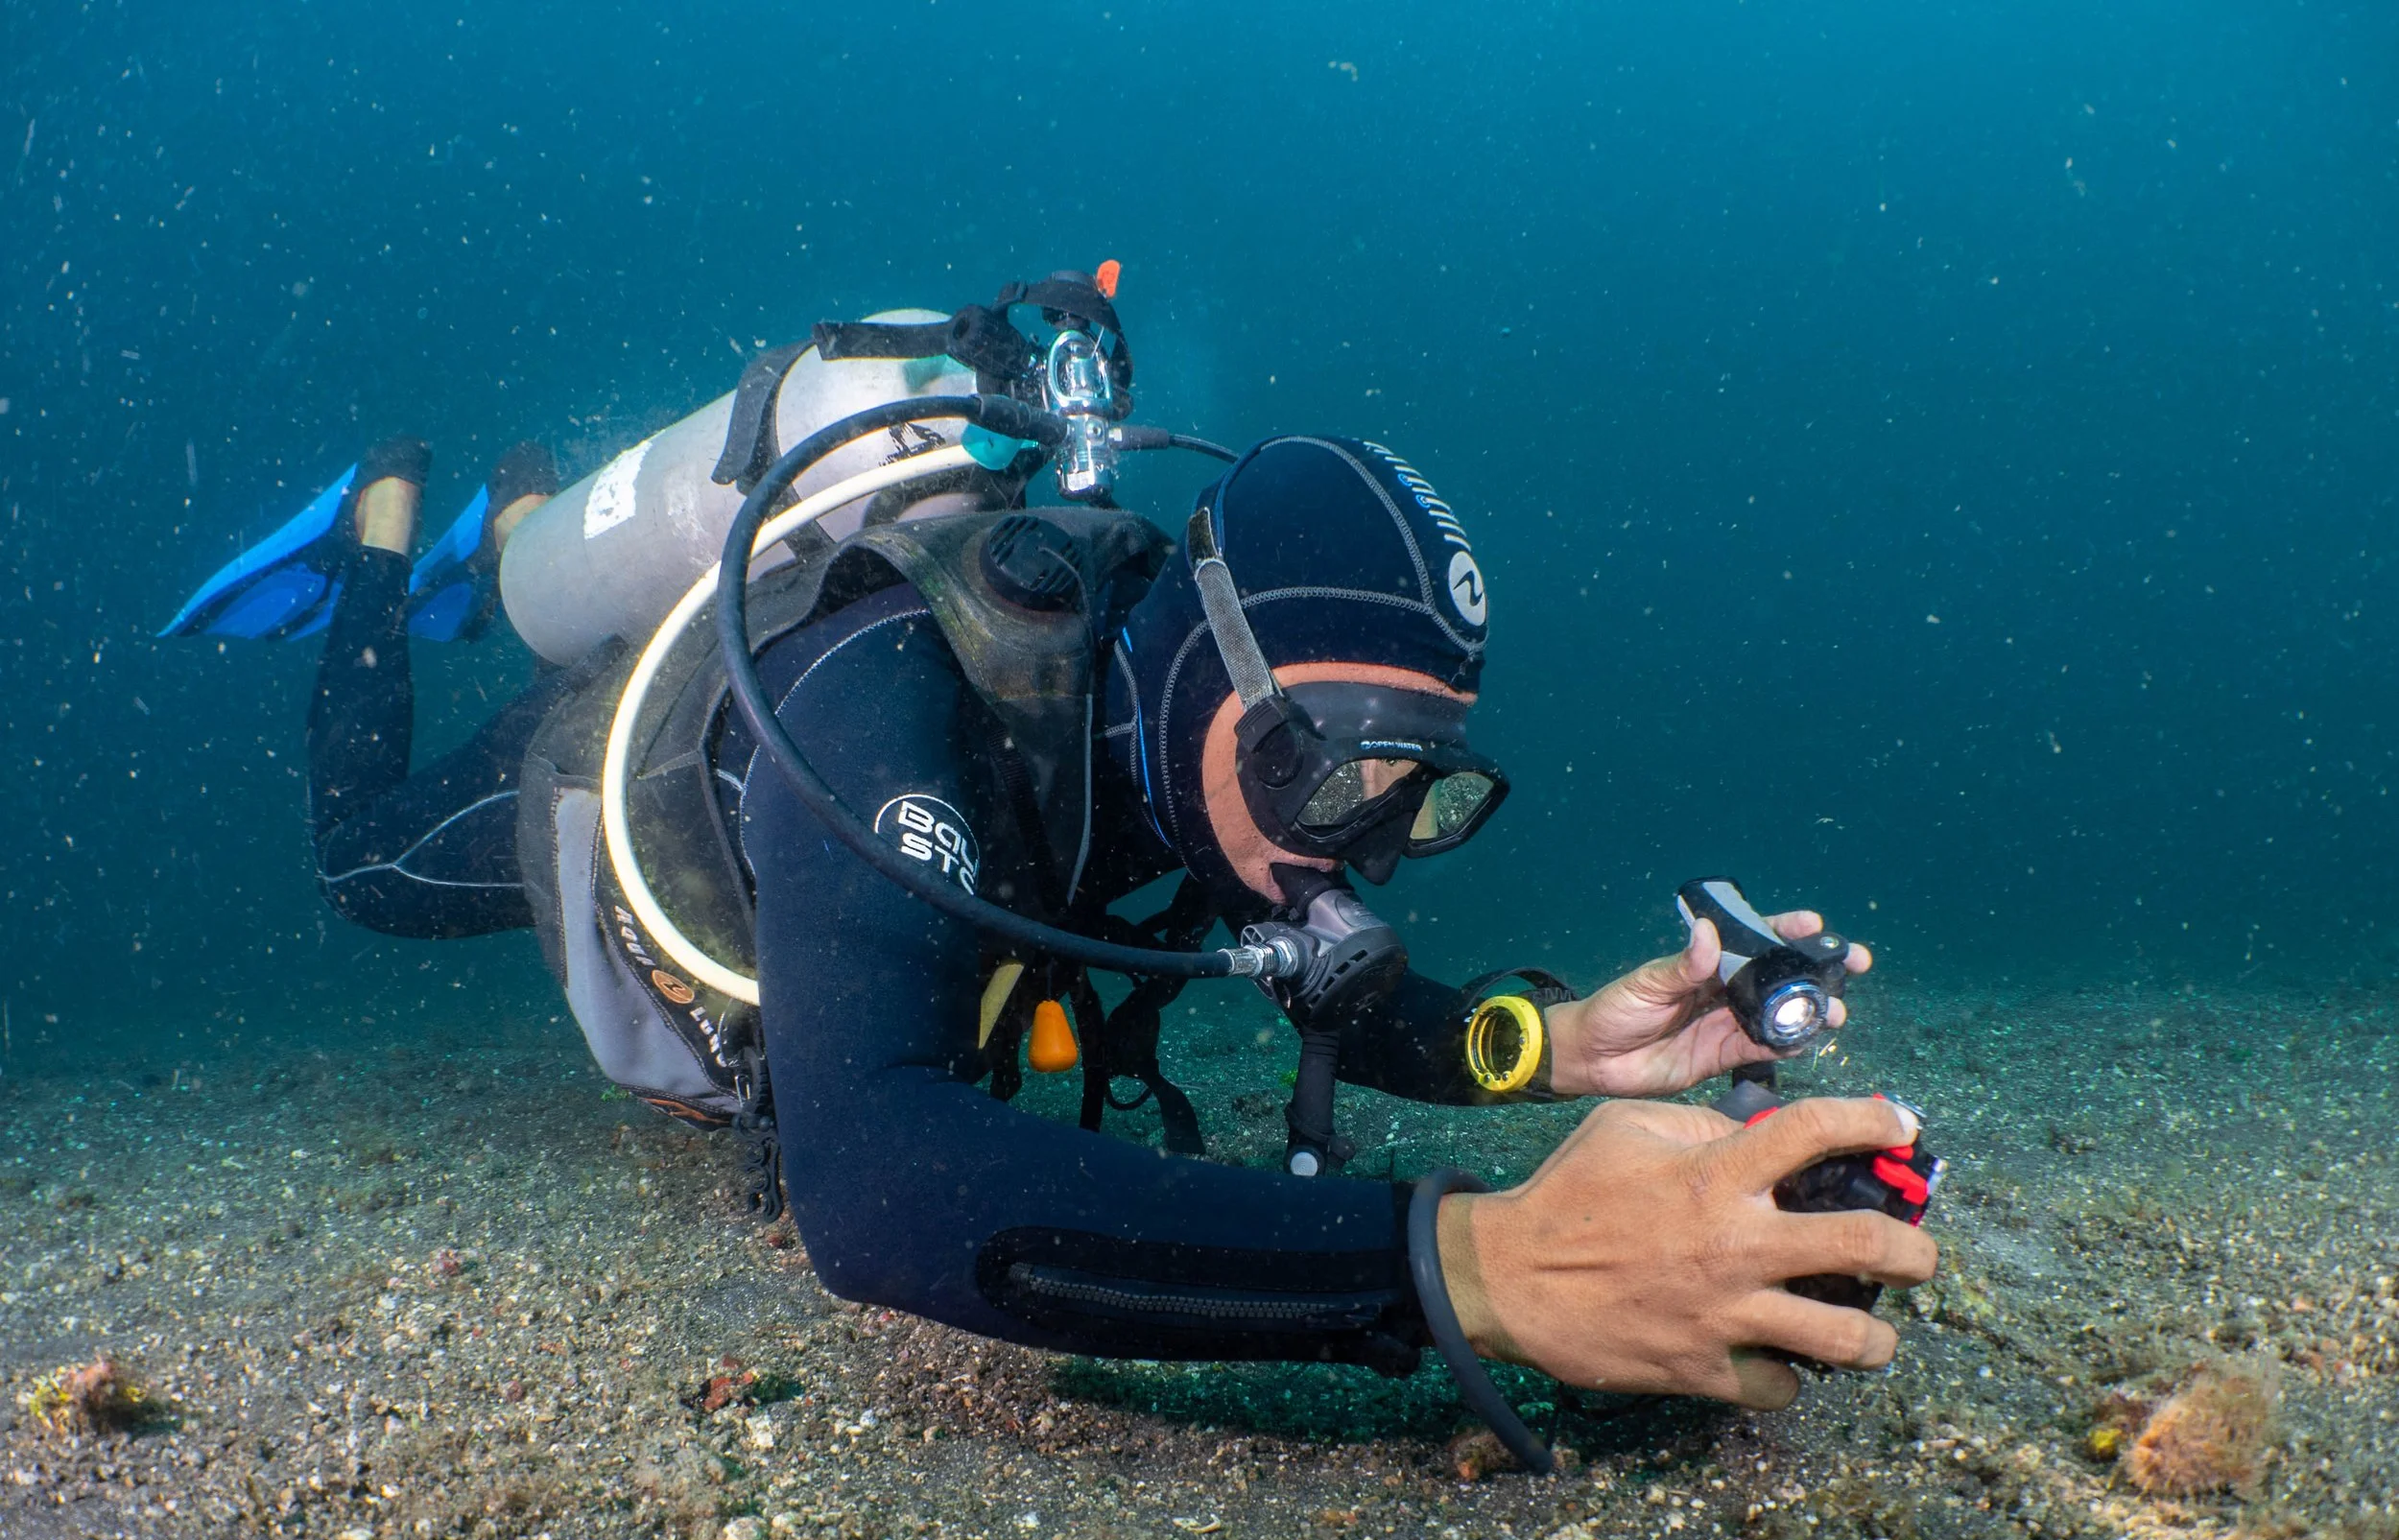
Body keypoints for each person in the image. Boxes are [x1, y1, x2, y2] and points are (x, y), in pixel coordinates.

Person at [165, 276, 1936, 1450]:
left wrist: (1546, 1047)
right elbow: (870, 1192)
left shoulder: (1200, 769)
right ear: (1193, 659)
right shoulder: (895, 695)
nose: (1357, 854)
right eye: (1328, 774)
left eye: (1415, 796)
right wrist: (1484, 1264)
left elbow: (1322, 967)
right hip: (611, 799)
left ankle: (518, 503)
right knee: (362, 869)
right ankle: (389, 541)